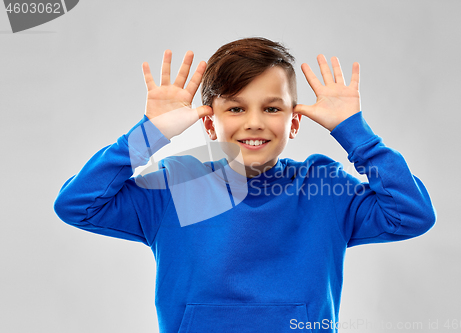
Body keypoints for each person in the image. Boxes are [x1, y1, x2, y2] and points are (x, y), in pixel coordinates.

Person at [54, 37, 436, 333]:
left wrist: (354, 133)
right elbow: (78, 205)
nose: (254, 122)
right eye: (236, 108)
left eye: (271, 108)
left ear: (295, 121)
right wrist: (147, 136)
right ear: (209, 123)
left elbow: (411, 214)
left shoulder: (324, 187)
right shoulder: (175, 184)